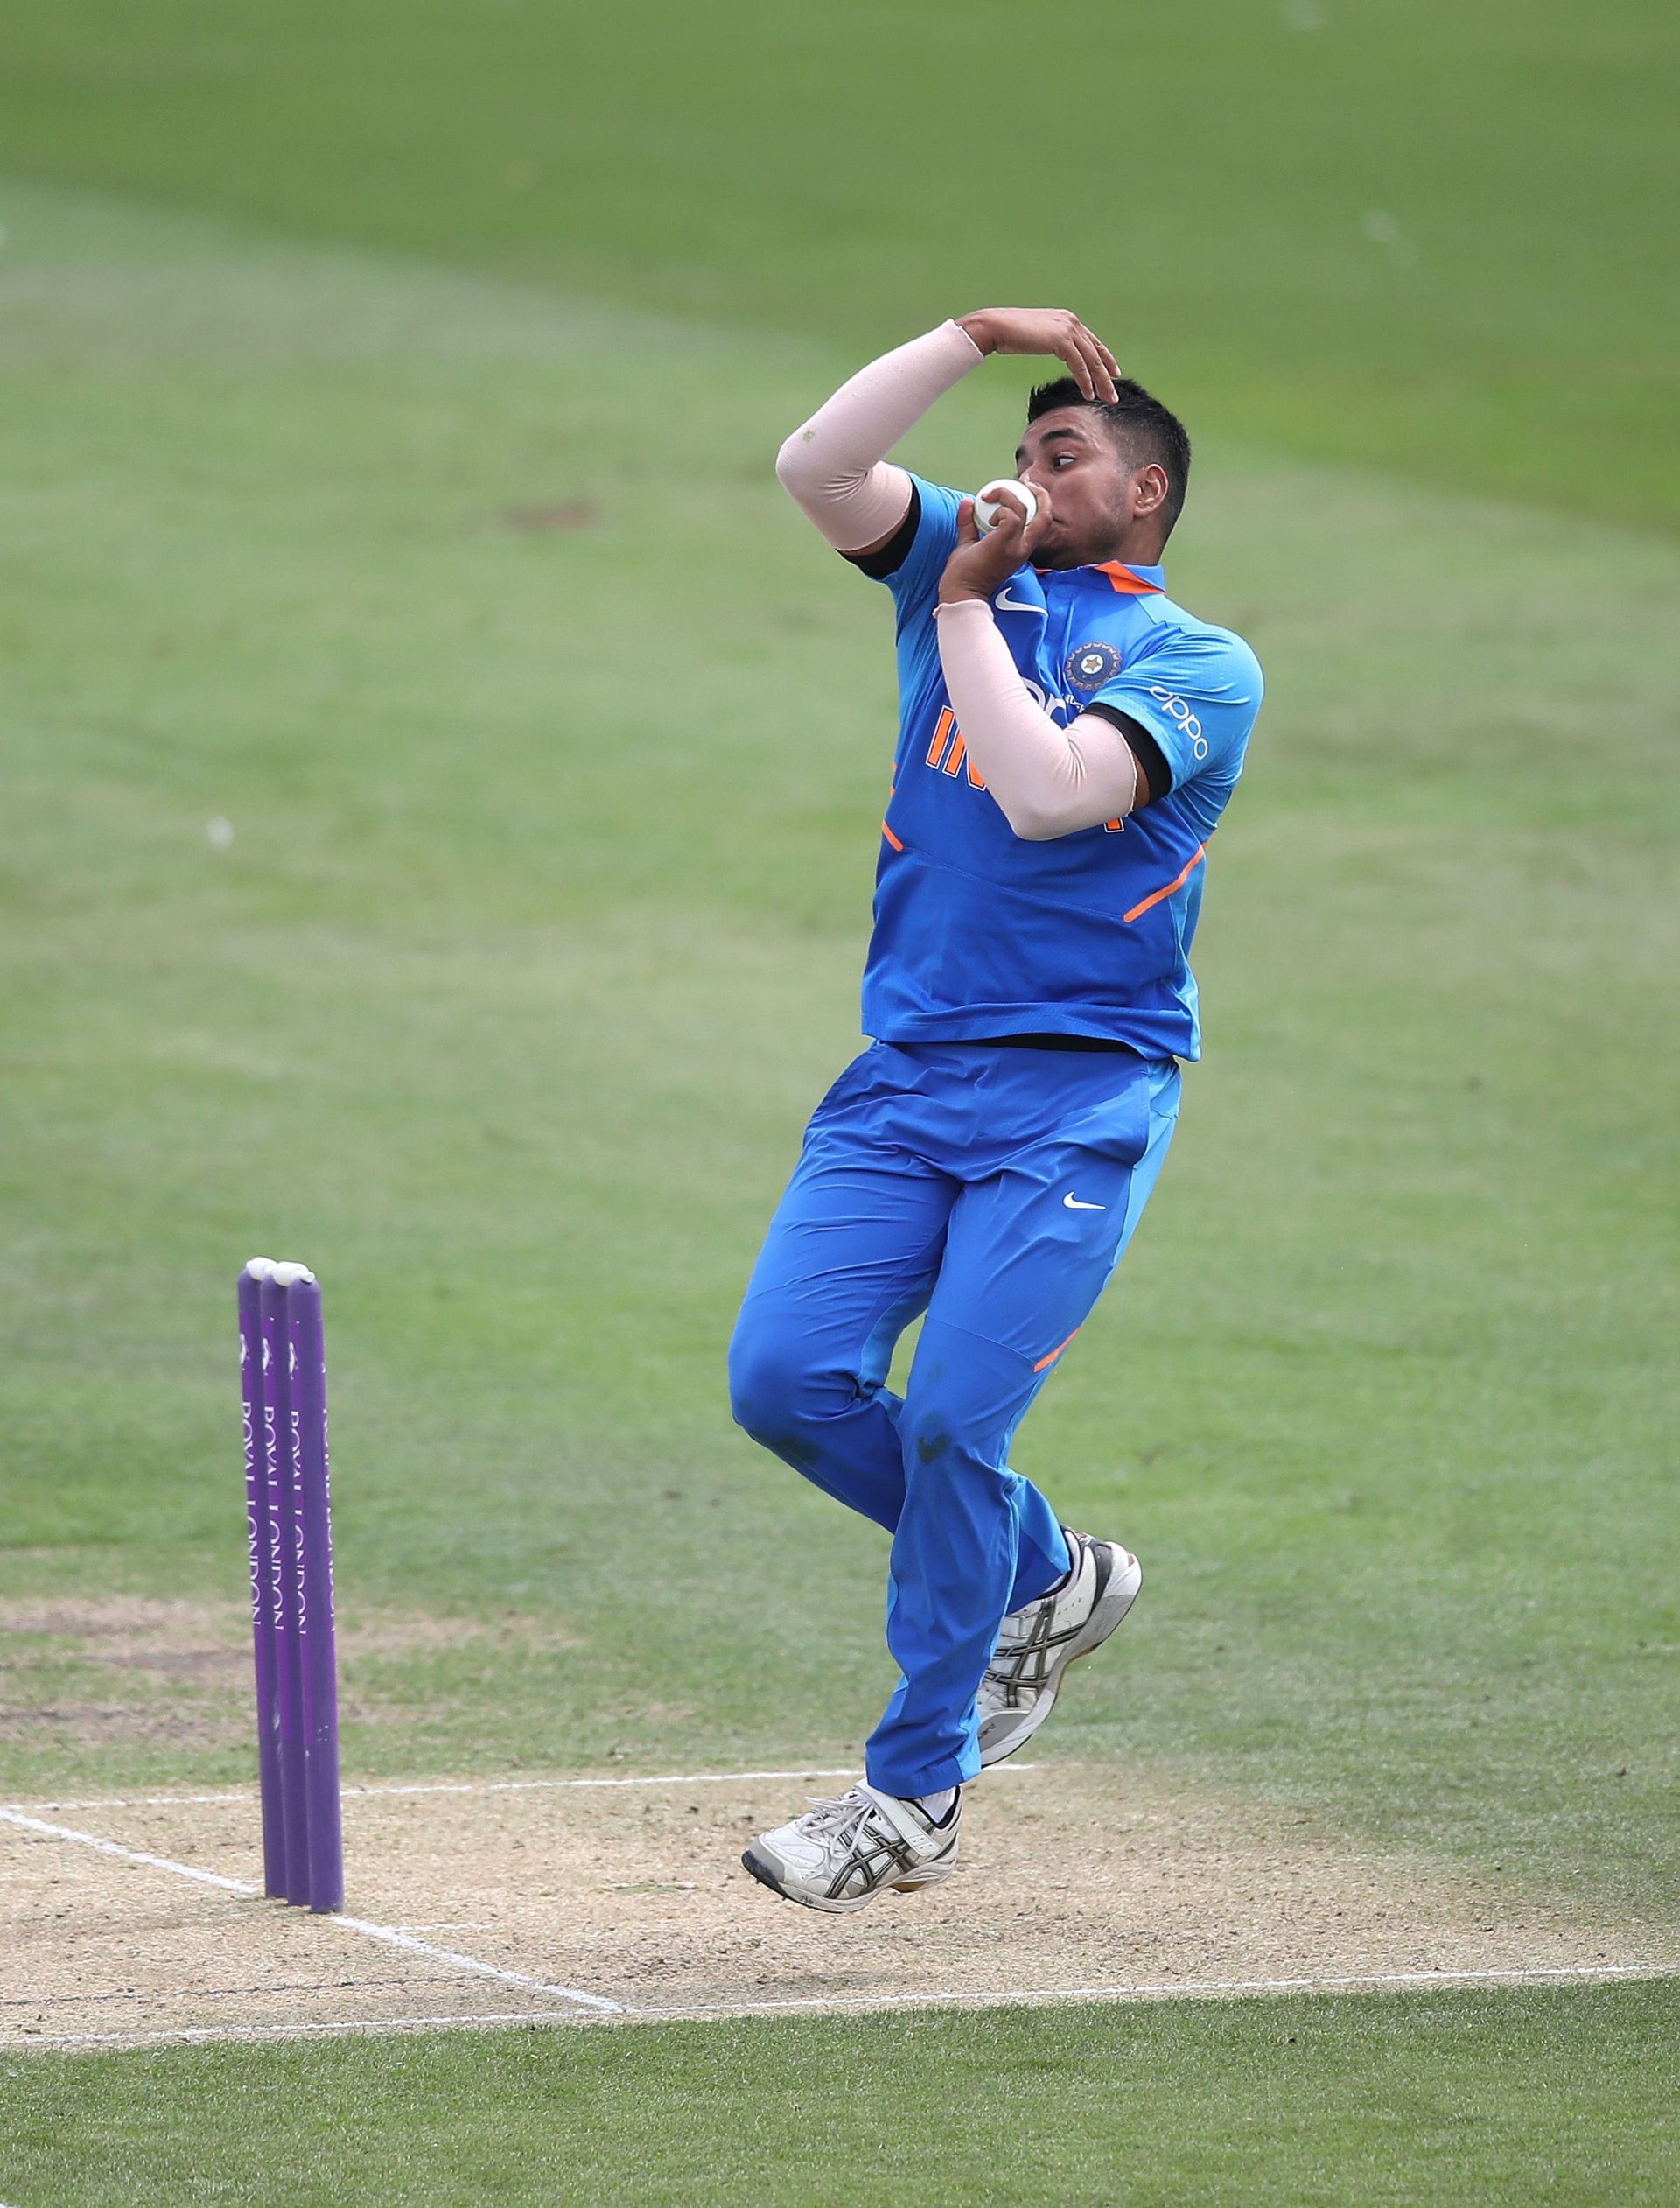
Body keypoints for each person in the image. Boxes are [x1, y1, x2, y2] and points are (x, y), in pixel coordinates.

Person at [728, 308, 1264, 1912]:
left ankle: (913, 1796)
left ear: (1147, 495)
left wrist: (965, 599)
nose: (1022, 476)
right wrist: (974, 332)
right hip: (903, 1082)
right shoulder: (957, 564)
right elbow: (815, 462)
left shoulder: (1198, 665)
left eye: (1062, 455)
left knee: (959, 1419)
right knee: (785, 1381)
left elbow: (1047, 797)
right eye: (1015, 453)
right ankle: (1048, 1575)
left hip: (1078, 1101)